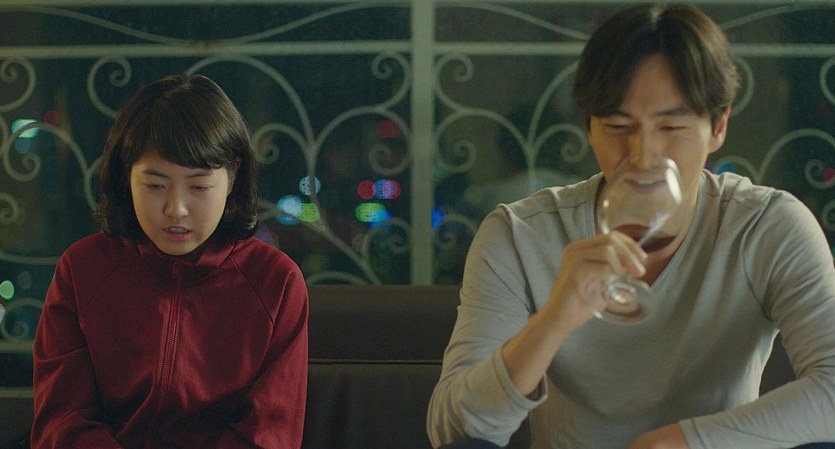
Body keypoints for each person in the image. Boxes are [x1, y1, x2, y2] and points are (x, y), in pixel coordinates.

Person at [427, 4, 835, 449]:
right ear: (589, 129)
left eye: (671, 126)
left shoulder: (766, 227)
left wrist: (681, 442)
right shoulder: (521, 235)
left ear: (718, 126)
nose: (643, 155)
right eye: (618, 126)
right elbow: (453, 431)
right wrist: (553, 321)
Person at [31, 74, 309, 448]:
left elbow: (269, 434)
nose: (175, 209)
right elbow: (62, 420)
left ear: (232, 178)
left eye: (198, 186)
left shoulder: (276, 282)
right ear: (126, 177)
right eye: (155, 185)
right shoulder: (83, 270)